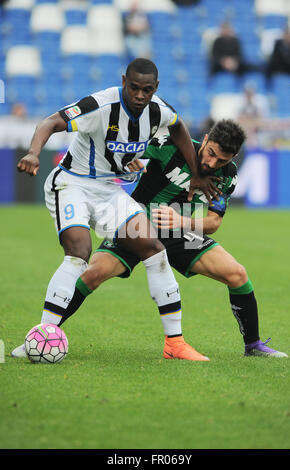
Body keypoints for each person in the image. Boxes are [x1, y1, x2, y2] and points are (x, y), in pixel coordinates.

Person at [12, 58, 220, 360]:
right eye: (134, 87)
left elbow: (178, 127)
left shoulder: (159, 110)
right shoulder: (99, 105)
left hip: (110, 192)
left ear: (155, 89)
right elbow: (51, 122)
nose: (139, 95)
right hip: (73, 185)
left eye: (146, 90)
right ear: (124, 81)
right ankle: (43, 336)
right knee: (79, 252)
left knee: (153, 247)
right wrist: (33, 153)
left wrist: (196, 173)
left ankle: (174, 344)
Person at [31, 120, 288, 360]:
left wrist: (183, 223)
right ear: (205, 139)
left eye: (222, 160)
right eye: (211, 153)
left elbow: (214, 222)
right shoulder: (170, 147)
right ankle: (44, 334)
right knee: (92, 274)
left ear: (232, 158)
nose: (212, 163)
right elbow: (127, 149)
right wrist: (128, 161)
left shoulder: (228, 174)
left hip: (179, 229)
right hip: (137, 223)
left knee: (237, 274)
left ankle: (253, 345)